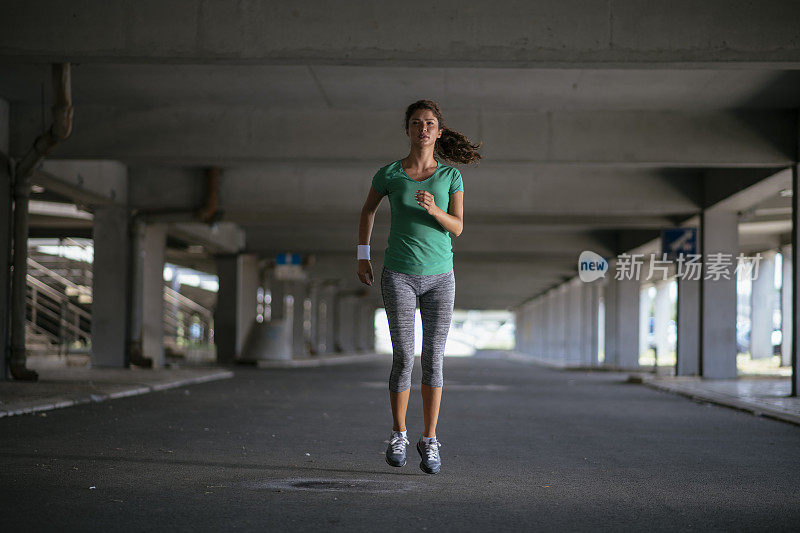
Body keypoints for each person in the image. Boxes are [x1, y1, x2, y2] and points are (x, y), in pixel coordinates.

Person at [357, 99, 481, 474]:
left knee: (434, 359)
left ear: (438, 132)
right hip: (399, 274)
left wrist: (434, 210)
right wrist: (363, 255)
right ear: (408, 130)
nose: (423, 128)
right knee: (403, 357)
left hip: (441, 278)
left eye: (429, 123)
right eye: (416, 123)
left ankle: (429, 439)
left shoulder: (450, 178)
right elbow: (368, 210)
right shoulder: (390, 174)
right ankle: (399, 433)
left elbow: (457, 227)